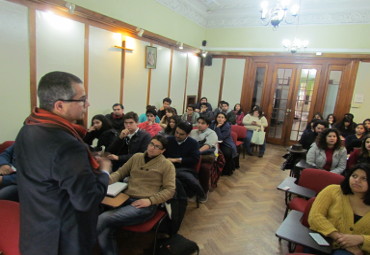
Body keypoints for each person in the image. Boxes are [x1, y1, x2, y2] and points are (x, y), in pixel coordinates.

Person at [14, 71, 110, 255]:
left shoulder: (27, 129)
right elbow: (86, 200)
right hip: (64, 240)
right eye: (82, 99)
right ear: (59, 105)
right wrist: (104, 171)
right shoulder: (67, 145)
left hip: (35, 234)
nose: (87, 104)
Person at [97, 135, 176, 255]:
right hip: (125, 198)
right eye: (151, 144)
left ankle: (82, 245)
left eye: (157, 146)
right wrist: (104, 180)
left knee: (103, 218)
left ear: (163, 150)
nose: (152, 148)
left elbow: (170, 190)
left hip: (144, 205)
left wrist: (150, 201)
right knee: (105, 224)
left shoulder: (167, 165)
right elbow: (119, 173)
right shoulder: (137, 157)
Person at [308, 163, 370, 255]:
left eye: (364, 178)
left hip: (357, 251)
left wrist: (361, 239)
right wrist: (340, 238)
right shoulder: (332, 190)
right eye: (354, 176)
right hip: (324, 242)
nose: (357, 180)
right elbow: (315, 216)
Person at [164, 121, 205, 201]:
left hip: (185, 168)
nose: (177, 135)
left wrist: (176, 160)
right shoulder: (169, 140)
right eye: (176, 132)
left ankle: (201, 194)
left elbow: (194, 159)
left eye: (181, 134)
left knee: (185, 177)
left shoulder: (193, 143)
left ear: (188, 134)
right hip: (167, 166)